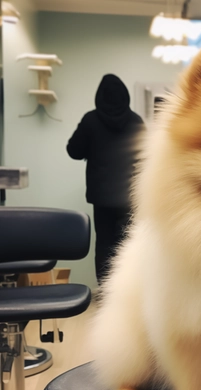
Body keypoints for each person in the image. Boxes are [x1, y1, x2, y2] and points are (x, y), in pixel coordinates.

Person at [67, 74, 145, 284]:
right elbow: (146, 155)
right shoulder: (136, 121)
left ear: (99, 96)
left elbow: (73, 150)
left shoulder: (90, 120)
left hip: (101, 199)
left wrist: (92, 149)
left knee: (103, 245)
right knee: (127, 244)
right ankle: (124, 291)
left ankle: (103, 294)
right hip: (128, 197)